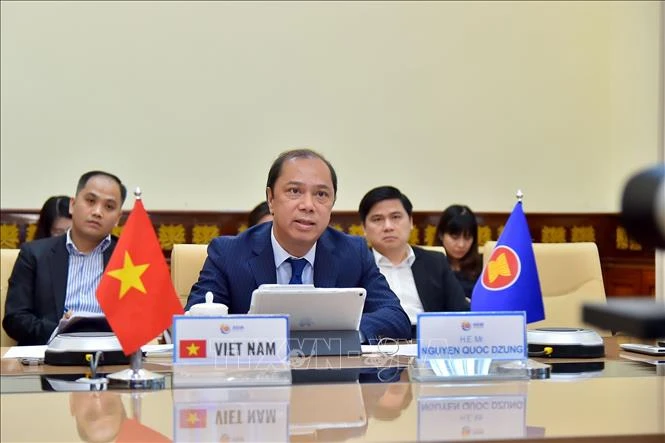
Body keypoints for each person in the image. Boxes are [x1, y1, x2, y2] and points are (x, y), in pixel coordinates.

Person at [186, 149, 411, 343]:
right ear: (271, 199)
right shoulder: (228, 253)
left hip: (332, 376)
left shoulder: (353, 252)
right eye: (294, 191)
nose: (308, 205)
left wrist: (340, 332)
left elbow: (395, 317)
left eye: (321, 194)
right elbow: (194, 325)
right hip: (254, 375)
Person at [3, 171, 126, 345]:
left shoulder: (130, 259)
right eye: (91, 201)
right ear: (72, 205)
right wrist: (59, 331)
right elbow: (15, 318)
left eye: (109, 206)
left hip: (111, 354)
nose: (97, 212)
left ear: (118, 218)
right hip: (49, 354)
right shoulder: (34, 254)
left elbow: (144, 317)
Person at [359, 186, 469, 337]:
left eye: (396, 217)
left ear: (411, 221)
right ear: (364, 228)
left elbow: (461, 312)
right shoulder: (356, 264)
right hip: (377, 343)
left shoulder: (435, 262)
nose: (388, 227)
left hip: (430, 341)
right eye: (377, 219)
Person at [436, 204, 482, 299]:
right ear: (441, 235)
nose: (461, 245)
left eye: (467, 238)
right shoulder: (429, 264)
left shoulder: (483, 265)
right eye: (455, 237)